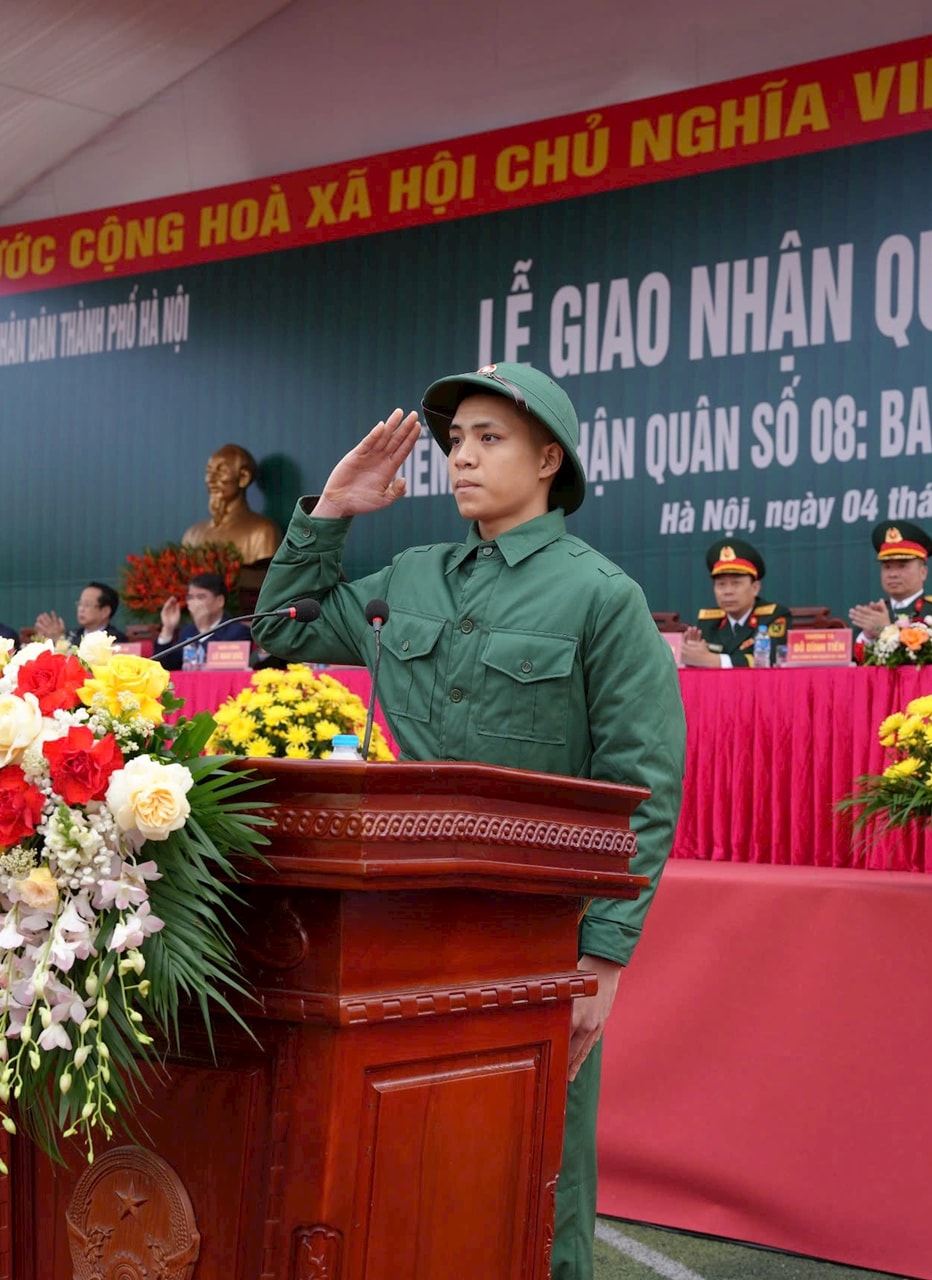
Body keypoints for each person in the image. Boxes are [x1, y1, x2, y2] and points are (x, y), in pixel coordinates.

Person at [249, 361, 685, 1280]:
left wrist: (603, 957)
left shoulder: (600, 597)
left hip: (534, 932)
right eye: (455, 442)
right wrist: (331, 511)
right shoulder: (412, 577)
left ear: (549, 460)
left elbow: (644, 786)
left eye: (490, 439)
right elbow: (281, 629)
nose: (462, 458)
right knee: (409, 1157)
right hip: (398, 923)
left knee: (534, 1169)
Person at [679, 539, 789, 668]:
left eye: (736, 584)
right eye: (721, 585)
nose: (727, 592)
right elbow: (701, 660)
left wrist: (717, 661)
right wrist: (693, 654)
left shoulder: (774, 616)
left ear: (755, 588)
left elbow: (772, 658)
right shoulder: (709, 621)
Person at [846, 520, 932, 645]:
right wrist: (868, 636)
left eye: (902, 566)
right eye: (887, 567)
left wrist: (885, 631)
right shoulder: (873, 616)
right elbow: (850, 654)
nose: (893, 574)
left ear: (923, 572)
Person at [180, 443, 283, 564]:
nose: (210, 479)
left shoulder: (264, 532)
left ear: (243, 478)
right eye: (209, 471)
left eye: (222, 471)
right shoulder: (192, 535)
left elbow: (266, 575)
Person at [156, 573, 249, 671]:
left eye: (201, 597)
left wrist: (204, 627)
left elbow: (217, 666)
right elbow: (163, 668)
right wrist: (168, 628)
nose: (195, 603)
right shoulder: (187, 632)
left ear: (220, 601)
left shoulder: (238, 632)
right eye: (190, 598)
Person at [35, 582, 128, 645]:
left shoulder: (116, 639)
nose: (81, 609)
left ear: (105, 612)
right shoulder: (71, 635)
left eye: (87, 604)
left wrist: (61, 642)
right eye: (80, 604)